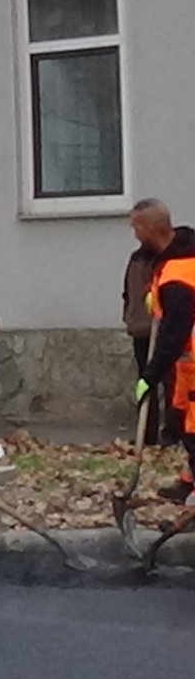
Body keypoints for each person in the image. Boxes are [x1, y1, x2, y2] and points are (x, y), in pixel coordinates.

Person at [132, 200, 195, 510]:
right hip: (188, 367)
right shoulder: (178, 256)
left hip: (193, 362)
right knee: (186, 428)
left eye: (136, 227)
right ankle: (190, 482)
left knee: (194, 431)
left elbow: (174, 334)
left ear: (151, 228)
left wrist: (150, 375)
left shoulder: (178, 276)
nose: (134, 233)